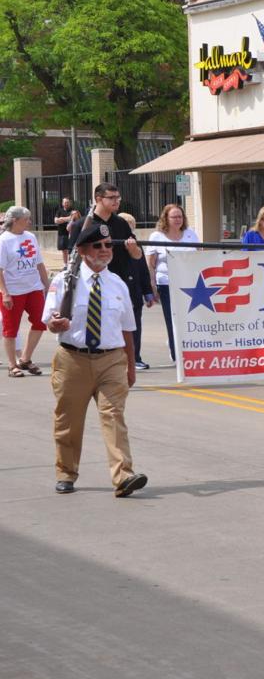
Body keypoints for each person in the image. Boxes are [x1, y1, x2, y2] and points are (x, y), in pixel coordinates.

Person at [42, 223, 148, 497]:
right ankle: (66, 473)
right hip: (72, 359)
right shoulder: (64, 280)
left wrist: (130, 365)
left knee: (114, 417)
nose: (104, 250)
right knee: (68, 420)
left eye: (108, 245)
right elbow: (50, 320)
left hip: (111, 361)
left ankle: (123, 476)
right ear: (81, 250)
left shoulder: (118, 284)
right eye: (97, 246)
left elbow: (127, 329)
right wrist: (56, 324)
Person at [146, 204, 199, 363]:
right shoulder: (157, 236)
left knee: (188, 319)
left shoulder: (190, 234)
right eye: (174, 217)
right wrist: (152, 285)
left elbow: (199, 257)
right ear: (166, 218)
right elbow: (151, 264)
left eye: (180, 216)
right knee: (172, 319)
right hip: (166, 283)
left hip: (189, 283)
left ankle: (188, 349)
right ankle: (176, 354)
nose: (178, 220)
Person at [1, 206, 50, 377]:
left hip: (34, 288)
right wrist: (5, 293)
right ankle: (12, 365)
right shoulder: (4, 240)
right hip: (13, 290)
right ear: (15, 221)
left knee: (40, 322)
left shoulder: (30, 237)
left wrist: (47, 286)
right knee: (11, 329)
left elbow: (39, 263)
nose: (29, 222)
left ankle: (25, 359)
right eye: (26, 219)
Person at [117, 213, 155, 370]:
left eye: (131, 225)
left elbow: (143, 270)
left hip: (135, 293)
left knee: (135, 327)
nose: (129, 229)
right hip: (119, 293)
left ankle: (135, 357)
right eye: (125, 225)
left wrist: (148, 293)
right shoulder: (114, 246)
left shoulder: (136, 246)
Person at [54, 197, 79, 268]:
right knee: (64, 250)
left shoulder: (73, 211)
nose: (66, 204)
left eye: (67, 202)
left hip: (71, 234)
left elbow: (75, 218)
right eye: (65, 202)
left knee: (71, 250)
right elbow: (56, 221)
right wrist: (68, 218)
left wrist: (61, 219)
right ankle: (65, 265)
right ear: (62, 203)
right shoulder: (59, 211)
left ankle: (71, 265)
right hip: (62, 233)